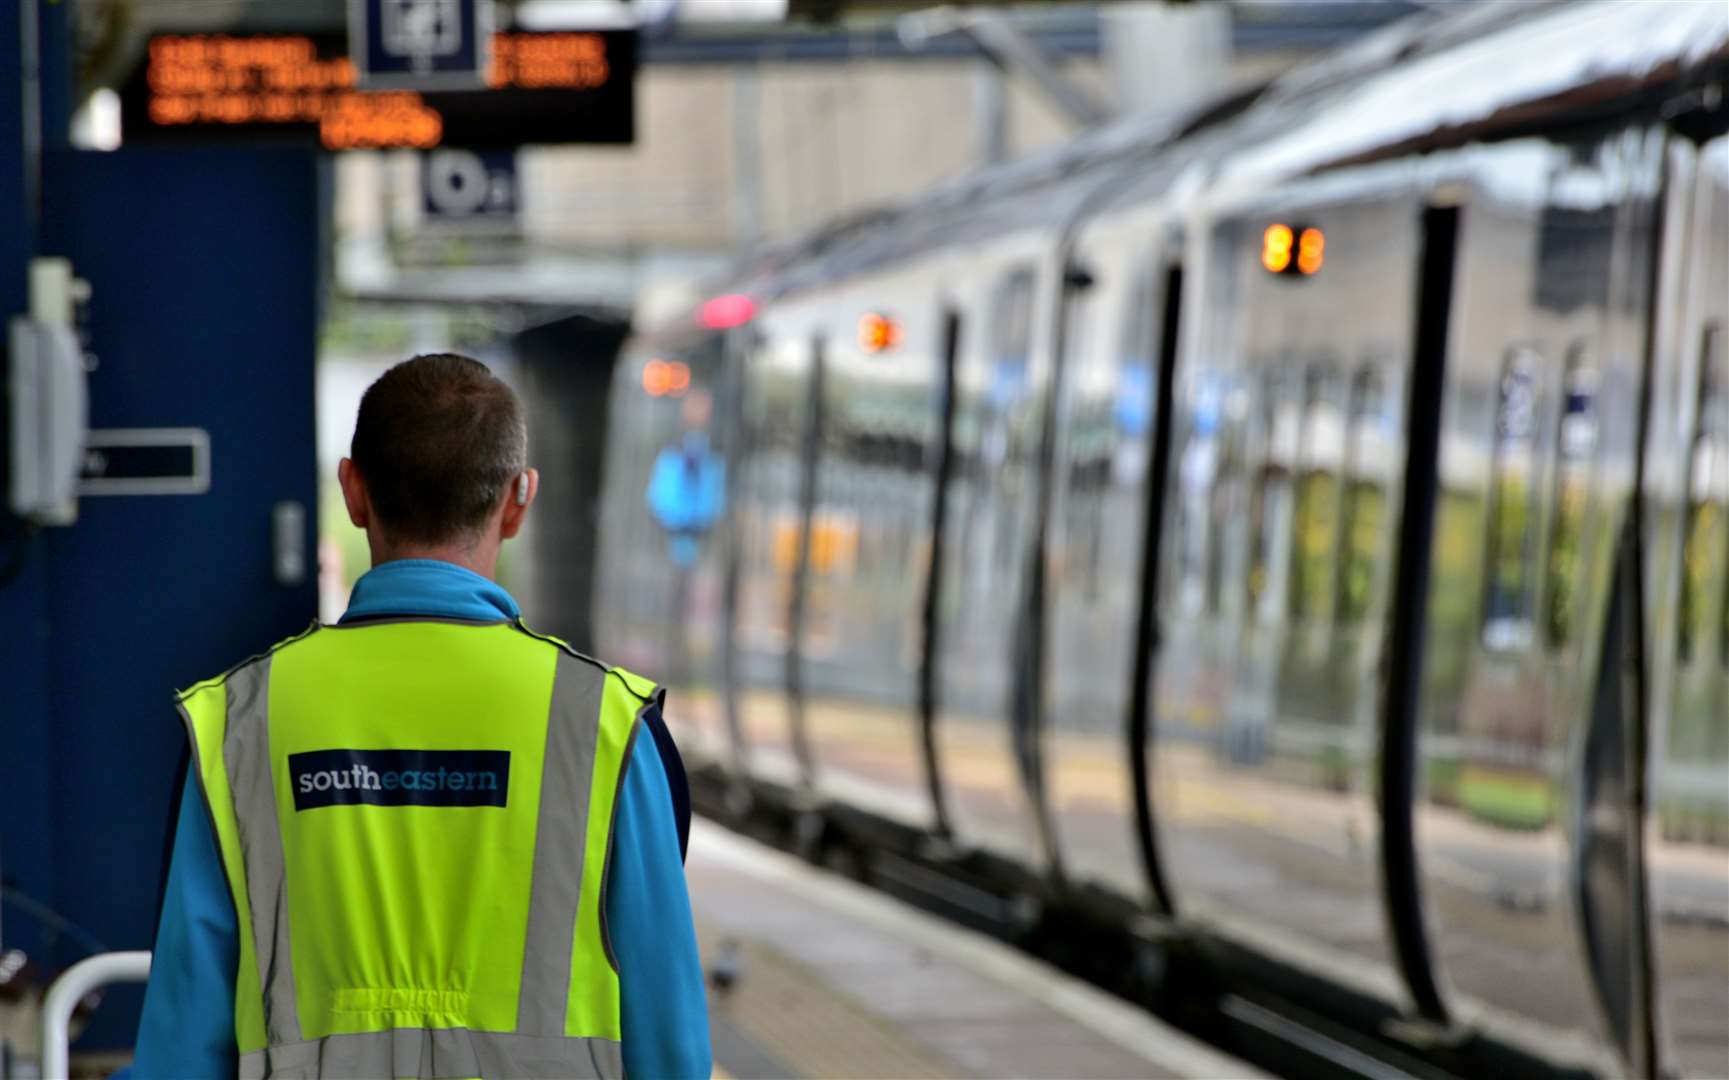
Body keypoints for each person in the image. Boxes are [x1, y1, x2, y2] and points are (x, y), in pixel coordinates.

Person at [131, 354, 710, 1079]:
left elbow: (183, 1043)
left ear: (353, 491)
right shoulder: (608, 727)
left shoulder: (239, 723)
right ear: (517, 501)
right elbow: (670, 1045)